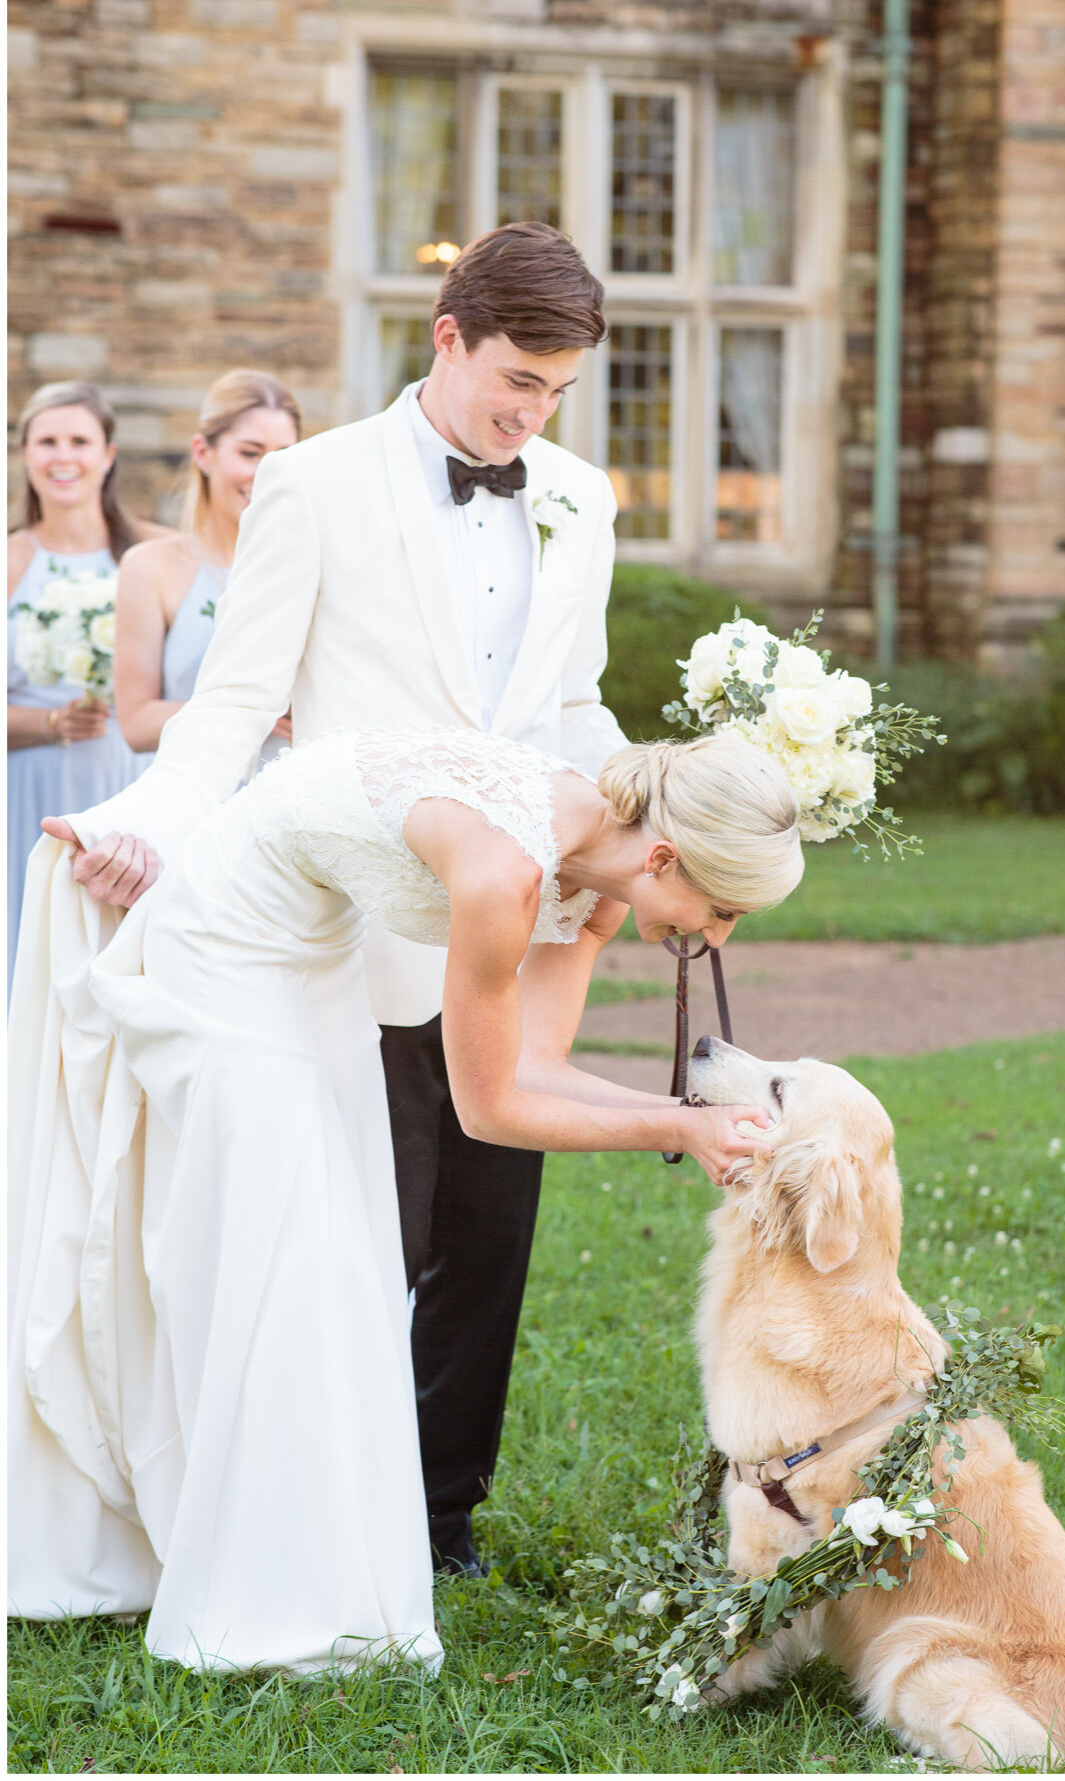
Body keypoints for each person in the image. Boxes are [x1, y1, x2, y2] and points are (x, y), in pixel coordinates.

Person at [20, 223, 626, 1584]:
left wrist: (651, 812)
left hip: (508, 913)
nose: (529, 414)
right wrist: (148, 826)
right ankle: (324, 1509)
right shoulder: (310, 483)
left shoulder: (584, 499)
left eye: (554, 393)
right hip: (350, 925)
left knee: (489, 1230)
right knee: (366, 1233)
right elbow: (236, 702)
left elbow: (569, 702)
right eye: (513, 382)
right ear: (447, 337)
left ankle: (441, 1514)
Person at [13, 728, 790, 1670]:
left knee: (342, 1262)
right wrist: (680, 1130)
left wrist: (685, 1114)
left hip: (317, 951)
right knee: (295, 1252)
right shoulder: (508, 873)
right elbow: (492, 1106)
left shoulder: (595, 898)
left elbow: (539, 1064)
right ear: (665, 857)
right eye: (724, 907)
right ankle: (252, 1586)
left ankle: (306, 1564)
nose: (717, 938)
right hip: (228, 934)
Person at [7, 381, 173, 980]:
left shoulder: (158, 554)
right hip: (28, 792)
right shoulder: (9, 563)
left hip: (133, 782)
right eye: (47, 441)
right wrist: (49, 723)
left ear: (107, 454)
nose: (63, 456)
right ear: (25, 453)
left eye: (80, 440)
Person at [112, 370, 302, 763]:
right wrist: (249, 714)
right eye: (250, 453)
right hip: (189, 796)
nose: (267, 472)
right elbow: (136, 723)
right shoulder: (151, 568)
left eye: (282, 455)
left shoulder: (313, 567)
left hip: (292, 795)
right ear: (202, 453)